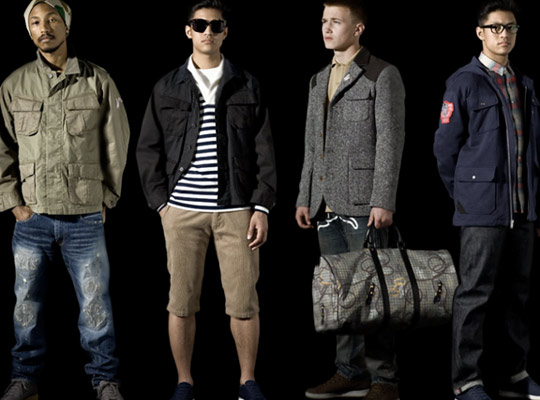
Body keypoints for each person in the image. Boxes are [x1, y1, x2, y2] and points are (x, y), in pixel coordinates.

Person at [136, 1, 276, 399]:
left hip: (237, 211)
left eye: (216, 25)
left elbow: (265, 150)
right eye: (200, 25)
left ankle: (247, 381)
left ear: (225, 31)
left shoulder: (247, 83)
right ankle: (184, 381)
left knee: (244, 302)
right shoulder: (167, 86)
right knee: (181, 302)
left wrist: (261, 207)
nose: (208, 32)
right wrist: (162, 205)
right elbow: (147, 149)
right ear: (188, 31)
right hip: (182, 211)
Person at [0, 1, 130, 400]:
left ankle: (105, 380)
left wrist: (107, 197)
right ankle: (25, 379)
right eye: (35, 22)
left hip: (84, 216)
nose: (44, 28)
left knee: (95, 305)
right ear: (29, 30)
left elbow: (116, 141)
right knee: (26, 305)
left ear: (66, 24)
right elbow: (3, 146)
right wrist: (13, 201)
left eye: (52, 19)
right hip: (33, 217)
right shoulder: (15, 85)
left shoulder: (97, 80)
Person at [295, 0, 405, 399]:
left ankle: (384, 379)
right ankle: (349, 371)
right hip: (326, 204)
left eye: (336, 22)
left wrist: (383, 199)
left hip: (364, 204)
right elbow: (312, 145)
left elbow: (390, 141)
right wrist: (305, 196)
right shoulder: (318, 79)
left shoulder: (381, 74)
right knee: (341, 294)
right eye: (324, 21)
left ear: (358, 29)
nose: (327, 28)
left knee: (373, 293)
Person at [434, 1, 540, 399]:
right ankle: (466, 381)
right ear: (480, 32)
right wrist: (467, 199)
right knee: (474, 294)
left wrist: (533, 207)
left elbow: (531, 153)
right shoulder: (463, 82)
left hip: (521, 209)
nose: (503, 34)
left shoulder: (523, 82)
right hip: (481, 211)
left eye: (510, 27)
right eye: (495, 27)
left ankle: (515, 374)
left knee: (518, 295)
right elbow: (445, 150)